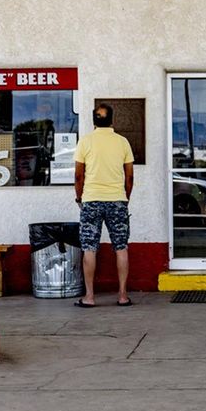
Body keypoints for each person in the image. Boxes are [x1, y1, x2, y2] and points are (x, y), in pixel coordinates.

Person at [73, 103, 135, 307]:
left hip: (91, 200)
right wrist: (125, 198)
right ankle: (123, 295)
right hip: (117, 200)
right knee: (121, 247)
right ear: (112, 120)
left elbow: (78, 175)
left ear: (93, 121)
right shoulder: (122, 142)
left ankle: (89, 297)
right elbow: (129, 176)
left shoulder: (85, 142)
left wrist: (79, 197)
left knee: (89, 248)